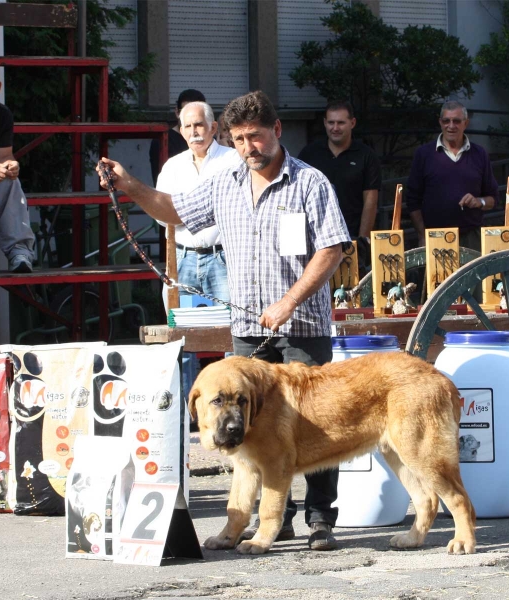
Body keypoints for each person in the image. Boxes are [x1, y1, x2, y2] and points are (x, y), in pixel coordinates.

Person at [97, 90, 350, 551]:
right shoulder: (225, 182)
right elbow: (173, 211)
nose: (248, 147)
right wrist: (130, 185)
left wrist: (289, 303)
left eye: (255, 136)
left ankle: (319, 519)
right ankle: (278, 518)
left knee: (316, 426)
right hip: (249, 332)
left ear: (277, 131)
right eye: (238, 139)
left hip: (302, 327)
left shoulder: (311, 183)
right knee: (250, 432)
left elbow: (332, 249)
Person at [156, 100, 237, 401]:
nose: (194, 131)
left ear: (214, 127)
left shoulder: (233, 160)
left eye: (200, 125)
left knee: (234, 334)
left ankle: (234, 405)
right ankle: (185, 411)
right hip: (183, 258)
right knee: (181, 336)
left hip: (224, 257)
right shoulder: (172, 167)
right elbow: (160, 212)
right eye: (188, 126)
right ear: (180, 130)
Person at [298, 100, 381, 275]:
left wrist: (362, 240)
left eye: (341, 123)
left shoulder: (366, 155)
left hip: (351, 237)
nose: (335, 128)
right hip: (317, 241)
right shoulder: (309, 154)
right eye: (331, 122)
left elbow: (370, 201)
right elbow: (298, 197)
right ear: (324, 123)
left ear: (352, 123)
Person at [406, 100, 499, 251]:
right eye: (446, 121)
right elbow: (412, 200)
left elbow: (493, 199)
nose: (451, 126)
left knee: (475, 276)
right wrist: (422, 235)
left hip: (471, 237)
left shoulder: (479, 154)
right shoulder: (424, 154)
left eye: (456, 121)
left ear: (465, 123)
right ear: (440, 122)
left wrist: (478, 201)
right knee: (436, 276)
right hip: (435, 237)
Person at [0, 61, 35, 273]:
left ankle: (19, 252)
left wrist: (10, 165)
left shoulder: (1, 115)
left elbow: (4, 155)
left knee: (9, 180)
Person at [149, 88, 206, 185]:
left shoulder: (210, 139)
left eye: (197, 115)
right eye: (186, 113)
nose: (191, 119)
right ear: (177, 113)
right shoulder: (163, 141)